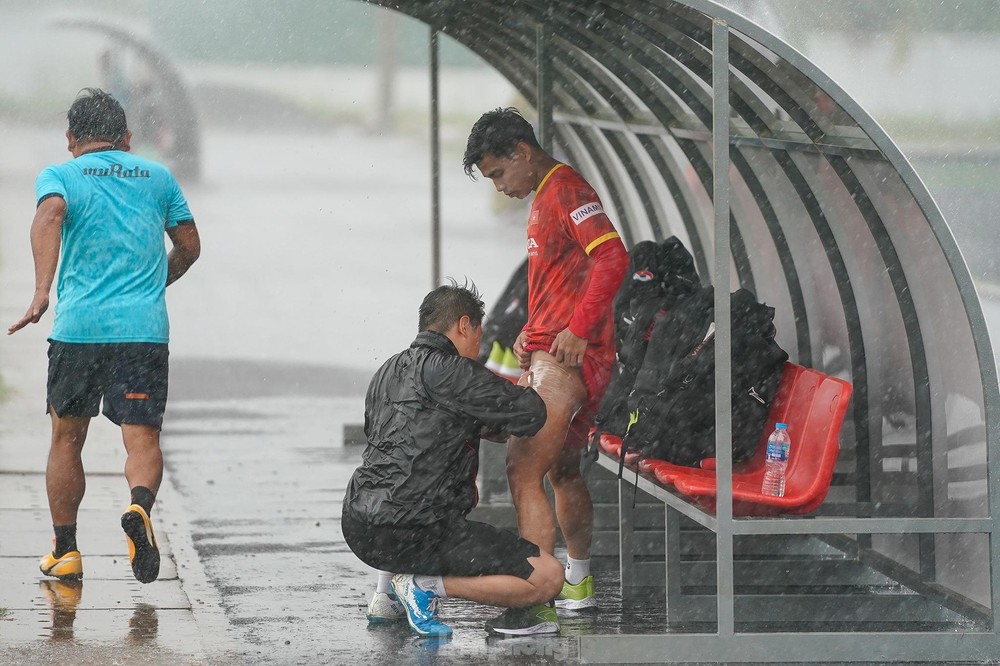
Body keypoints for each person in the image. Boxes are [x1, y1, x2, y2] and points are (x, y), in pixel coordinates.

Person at [7, 88, 201, 585]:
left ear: (71, 138)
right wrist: (157, 281)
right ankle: (139, 508)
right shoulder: (158, 177)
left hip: (79, 331)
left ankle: (66, 550)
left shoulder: (60, 176)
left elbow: (49, 216)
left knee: (66, 438)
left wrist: (40, 291)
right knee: (142, 437)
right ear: (128, 137)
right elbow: (190, 245)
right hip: (142, 333)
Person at [463, 108, 629, 612]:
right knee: (561, 471)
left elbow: (613, 257)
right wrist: (529, 332)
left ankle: (532, 596)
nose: (498, 186)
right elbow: (562, 281)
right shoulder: (547, 196)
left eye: (498, 172)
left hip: (569, 360)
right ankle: (576, 581)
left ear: (523, 152)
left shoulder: (567, 191)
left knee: (521, 468)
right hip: (551, 350)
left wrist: (578, 331)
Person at [342, 282, 565, 637]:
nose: (478, 344)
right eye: (478, 332)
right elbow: (530, 413)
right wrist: (542, 381)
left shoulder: (387, 369)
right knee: (548, 578)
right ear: (464, 325)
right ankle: (423, 585)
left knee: (398, 485)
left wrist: (474, 419)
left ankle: (385, 595)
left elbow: (397, 440)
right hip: (416, 533)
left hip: (359, 525)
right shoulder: (455, 371)